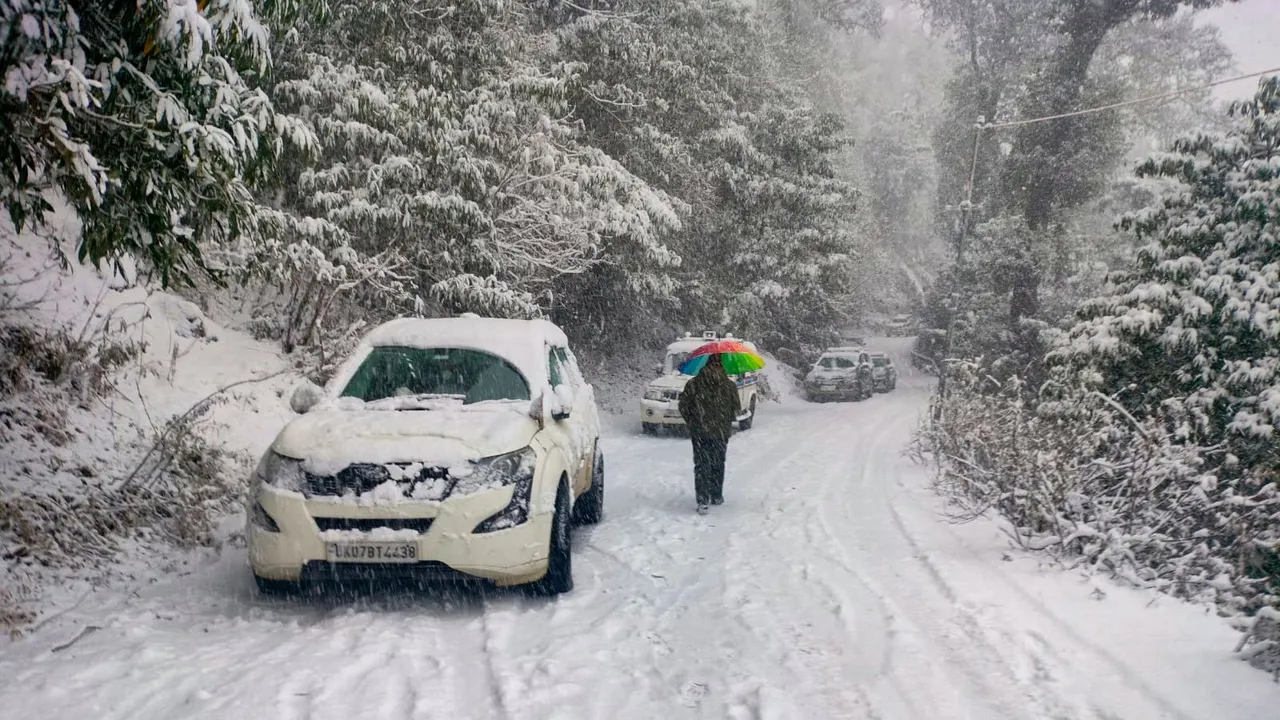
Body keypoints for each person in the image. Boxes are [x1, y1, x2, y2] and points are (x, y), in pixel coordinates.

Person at [678, 354, 741, 514]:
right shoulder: (729, 385)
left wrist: (692, 421)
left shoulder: (694, 384)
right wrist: (725, 419)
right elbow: (736, 407)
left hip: (700, 432)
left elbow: (683, 406)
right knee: (718, 463)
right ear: (721, 366)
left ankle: (702, 500)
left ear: (704, 365)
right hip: (720, 432)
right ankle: (716, 495)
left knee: (701, 465)